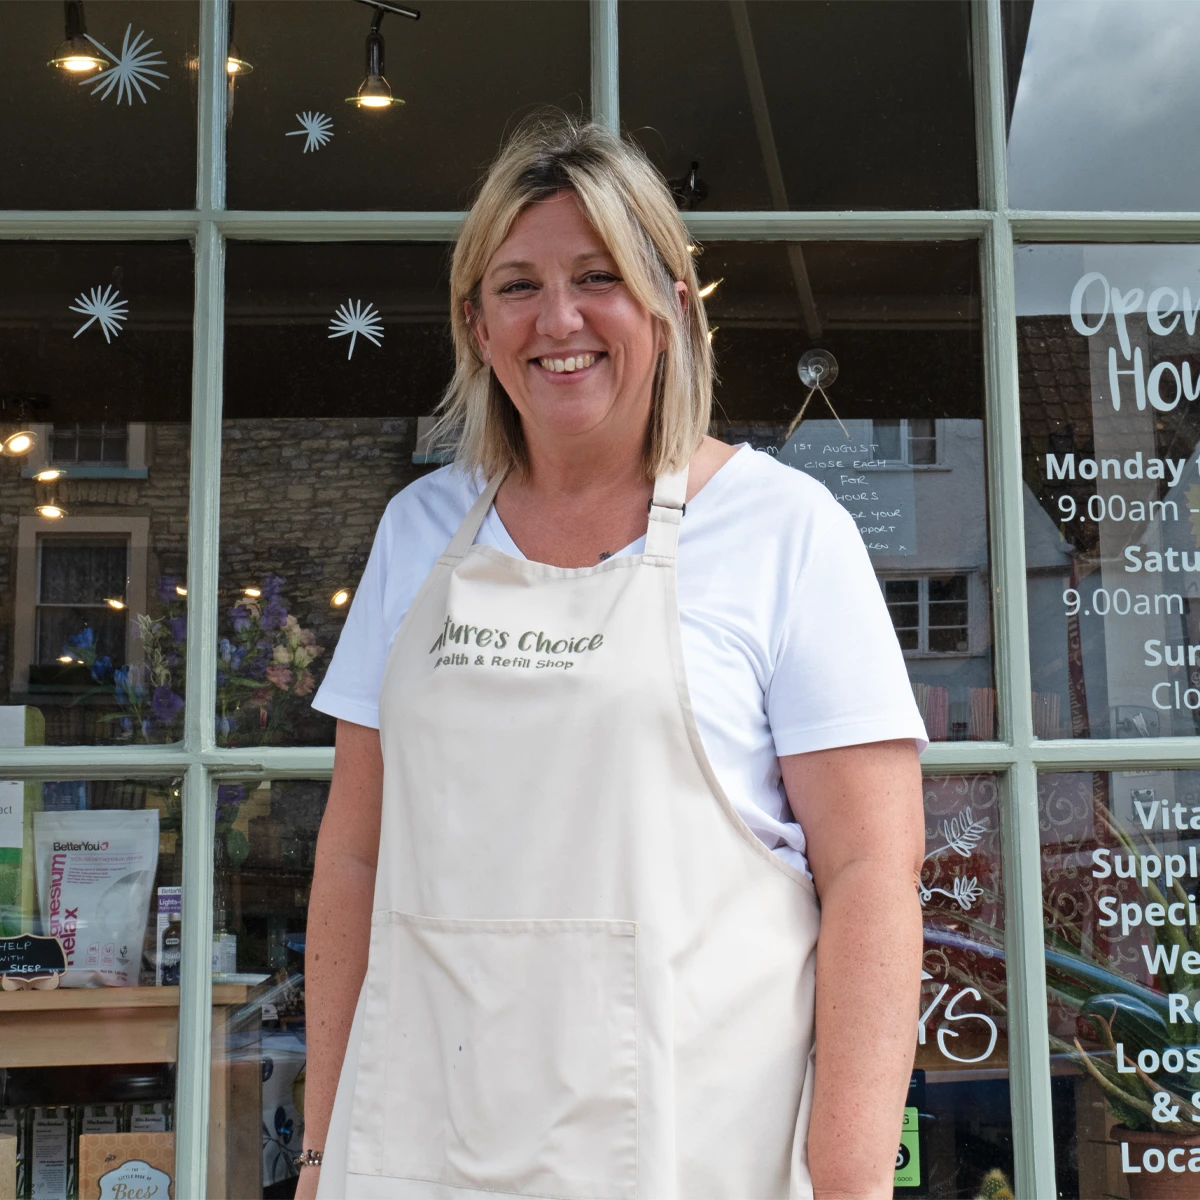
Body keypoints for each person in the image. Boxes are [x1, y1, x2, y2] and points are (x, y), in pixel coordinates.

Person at [299, 113, 927, 1200]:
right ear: (476, 324)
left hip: (695, 1149)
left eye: (598, 275)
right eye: (517, 285)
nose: (560, 318)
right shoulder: (418, 530)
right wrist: (316, 1154)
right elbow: (353, 860)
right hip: (423, 1149)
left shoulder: (785, 530)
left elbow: (872, 877)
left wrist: (851, 1183)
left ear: (671, 308)